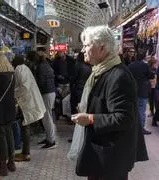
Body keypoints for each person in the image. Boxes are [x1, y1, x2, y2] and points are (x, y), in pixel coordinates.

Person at [72, 25, 148, 180]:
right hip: (104, 156)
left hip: (111, 159)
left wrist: (91, 118)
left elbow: (124, 118)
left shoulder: (118, 76)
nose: (82, 50)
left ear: (101, 48)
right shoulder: (102, 71)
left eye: (86, 45)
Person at [11, 55, 46, 161]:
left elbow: (22, 87)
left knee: (25, 126)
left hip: (27, 103)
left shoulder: (18, 69)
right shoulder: (25, 68)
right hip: (29, 101)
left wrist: (13, 94)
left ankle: (26, 154)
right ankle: (25, 152)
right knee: (25, 126)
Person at [27, 51, 57, 149]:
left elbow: (41, 82)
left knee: (47, 116)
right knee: (47, 116)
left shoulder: (41, 67)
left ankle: (51, 140)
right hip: (50, 91)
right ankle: (49, 138)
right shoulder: (45, 65)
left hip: (47, 93)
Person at [128, 50, 155, 134]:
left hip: (132, 90)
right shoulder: (145, 65)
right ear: (143, 57)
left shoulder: (130, 66)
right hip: (142, 91)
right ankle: (141, 129)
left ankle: (133, 128)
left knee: (133, 109)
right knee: (141, 110)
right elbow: (151, 75)